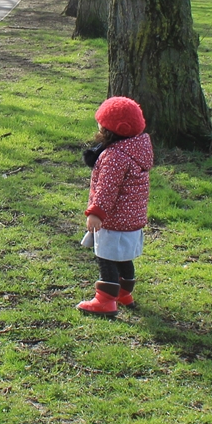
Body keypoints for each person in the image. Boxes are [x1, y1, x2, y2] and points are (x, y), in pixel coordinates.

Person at [76, 96, 154, 314]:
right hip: (132, 220)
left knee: (107, 257)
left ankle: (105, 300)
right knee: (123, 257)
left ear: (113, 128)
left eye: (101, 123)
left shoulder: (115, 156)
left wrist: (97, 212)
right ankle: (123, 292)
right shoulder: (137, 148)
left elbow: (107, 189)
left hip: (114, 219)